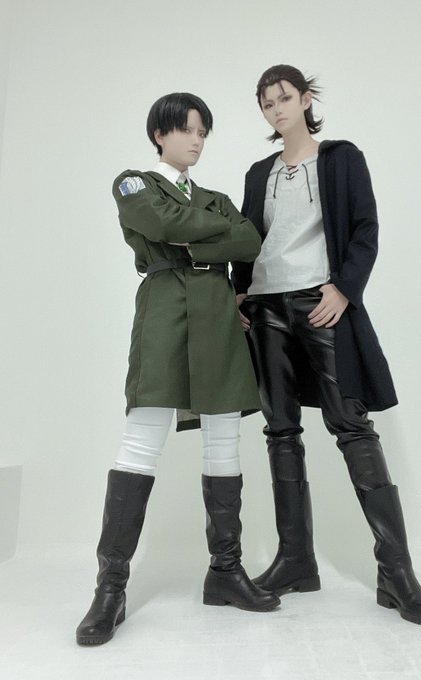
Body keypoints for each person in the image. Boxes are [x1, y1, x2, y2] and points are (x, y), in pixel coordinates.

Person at [232, 65, 421, 627]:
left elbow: (365, 229)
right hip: (266, 309)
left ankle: (396, 573)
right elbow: (250, 239)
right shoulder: (258, 173)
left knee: (352, 426)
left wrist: (345, 289)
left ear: (306, 99)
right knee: (280, 430)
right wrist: (238, 291)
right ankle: (296, 561)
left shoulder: (341, 158)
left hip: (320, 302)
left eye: (284, 97)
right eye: (266, 103)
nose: (276, 109)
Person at [76, 92, 280, 646]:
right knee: (141, 439)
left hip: (218, 315)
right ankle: (110, 588)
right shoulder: (133, 183)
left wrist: (186, 237)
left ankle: (226, 572)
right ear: (160, 134)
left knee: (224, 439)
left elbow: (249, 240)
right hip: (165, 310)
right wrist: (205, 234)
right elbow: (157, 221)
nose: (196, 140)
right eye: (187, 130)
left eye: (203, 133)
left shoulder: (216, 198)